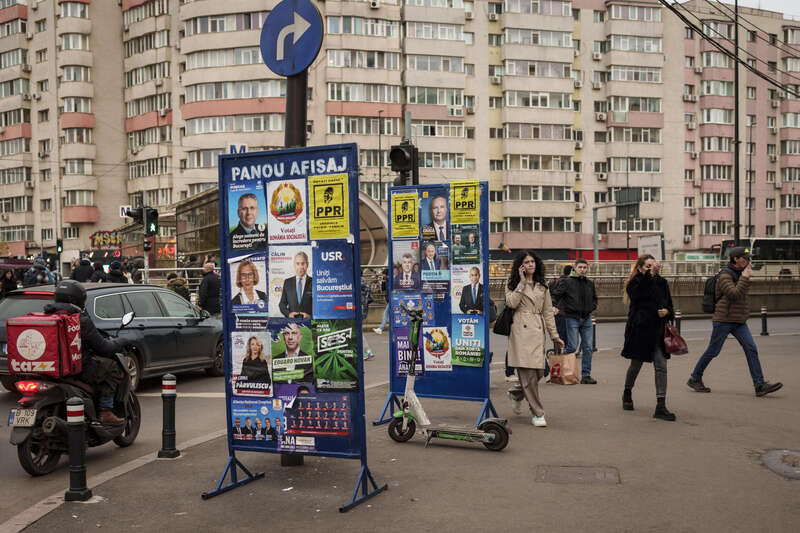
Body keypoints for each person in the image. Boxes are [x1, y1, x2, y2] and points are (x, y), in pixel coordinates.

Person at [687, 246, 783, 397]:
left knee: (751, 348)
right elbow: (734, 295)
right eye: (745, 258)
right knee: (713, 351)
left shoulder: (739, 273)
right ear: (736, 259)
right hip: (723, 320)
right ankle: (695, 378)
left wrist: (744, 277)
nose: (748, 260)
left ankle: (759, 385)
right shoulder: (725, 276)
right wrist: (745, 277)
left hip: (738, 320)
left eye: (749, 257)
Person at [44, 281, 127, 425]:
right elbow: (104, 348)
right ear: (77, 299)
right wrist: (120, 341)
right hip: (76, 369)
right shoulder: (79, 320)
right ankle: (106, 411)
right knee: (111, 367)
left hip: (47, 368)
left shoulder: (46, 317)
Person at [505, 251, 564, 427]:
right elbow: (511, 303)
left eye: (532, 261)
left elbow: (547, 312)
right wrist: (522, 283)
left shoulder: (542, 286)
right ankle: (538, 412)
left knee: (539, 372)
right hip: (521, 330)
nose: (530, 264)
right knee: (529, 375)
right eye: (526, 262)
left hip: (538, 330)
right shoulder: (513, 283)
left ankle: (516, 393)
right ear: (520, 266)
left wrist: (555, 336)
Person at [620, 255, 676, 421]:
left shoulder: (662, 282)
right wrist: (648, 276)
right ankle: (627, 391)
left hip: (658, 331)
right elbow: (638, 295)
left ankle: (661, 405)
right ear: (639, 268)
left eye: (653, 266)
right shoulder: (635, 282)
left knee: (661, 365)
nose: (651, 269)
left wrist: (667, 312)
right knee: (636, 364)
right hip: (641, 330)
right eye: (647, 266)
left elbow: (670, 304)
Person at [551, 258, 598, 384]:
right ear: (575, 268)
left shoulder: (590, 283)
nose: (582, 270)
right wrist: (553, 305)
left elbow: (595, 298)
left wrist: (592, 307)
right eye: (580, 267)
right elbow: (555, 295)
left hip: (587, 318)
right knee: (572, 346)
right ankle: (560, 369)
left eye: (584, 267)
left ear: (587, 269)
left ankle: (586, 375)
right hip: (572, 318)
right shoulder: (567, 282)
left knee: (588, 348)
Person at [278, 251, 312, 318]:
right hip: (292, 322)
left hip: (309, 322)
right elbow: (282, 304)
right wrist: (288, 314)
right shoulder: (287, 282)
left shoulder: (314, 282)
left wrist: (310, 316)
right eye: (298, 264)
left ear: (307, 264)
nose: (300, 267)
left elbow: (319, 305)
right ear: (294, 265)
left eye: (303, 263)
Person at [549, 265, 573, 345]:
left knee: (558, 334)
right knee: (565, 335)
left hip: (556, 311)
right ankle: (563, 354)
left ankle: (557, 352)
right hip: (563, 311)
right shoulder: (567, 282)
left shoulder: (556, 280)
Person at [360, 281, 375, 360]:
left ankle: (367, 351)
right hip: (363, 309)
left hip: (359, 310)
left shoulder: (358, 282)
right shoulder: (363, 282)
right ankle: (367, 351)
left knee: (358, 332)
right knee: (359, 331)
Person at [373, 269, 390, 335]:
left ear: (386, 274)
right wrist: (383, 282)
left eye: (383, 274)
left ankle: (381, 328)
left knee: (385, 313)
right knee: (390, 315)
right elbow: (383, 289)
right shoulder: (386, 281)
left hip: (391, 300)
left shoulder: (389, 280)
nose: (382, 275)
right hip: (389, 300)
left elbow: (387, 290)